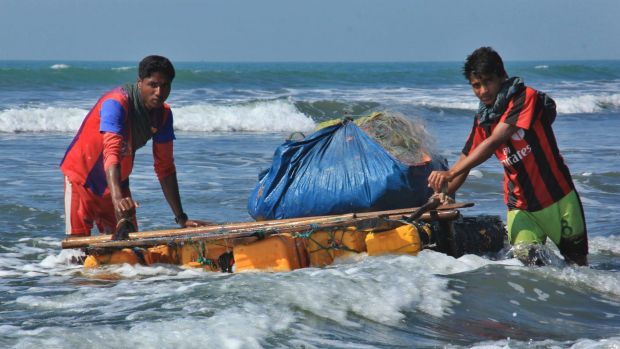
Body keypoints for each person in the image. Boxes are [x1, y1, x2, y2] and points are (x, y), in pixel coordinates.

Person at [427, 47, 588, 266]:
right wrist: (443, 192)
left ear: (502, 77)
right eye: (476, 85)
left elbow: (495, 140)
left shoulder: (525, 97)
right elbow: (464, 161)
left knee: (578, 268)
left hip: (559, 200)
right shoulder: (483, 120)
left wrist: (449, 173)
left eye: (488, 82)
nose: (483, 91)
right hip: (521, 209)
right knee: (529, 273)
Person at [61, 55, 206, 239]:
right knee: (77, 250)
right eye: (153, 85)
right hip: (82, 179)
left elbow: (165, 168)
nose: (159, 92)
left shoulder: (163, 116)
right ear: (140, 83)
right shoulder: (116, 103)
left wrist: (181, 218)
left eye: (165, 86)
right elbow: (112, 152)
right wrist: (118, 200)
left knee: (128, 248)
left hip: (117, 183)